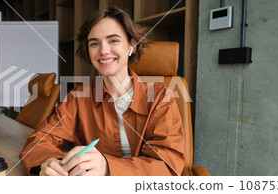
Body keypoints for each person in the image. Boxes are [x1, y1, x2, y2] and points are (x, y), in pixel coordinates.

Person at [19, 6, 185, 176]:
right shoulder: (78, 98)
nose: (103, 51)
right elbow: (38, 141)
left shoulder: (160, 97)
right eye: (94, 43)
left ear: (131, 46)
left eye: (113, 40)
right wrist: (47, 162)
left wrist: (108, 167)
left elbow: (168, 165)